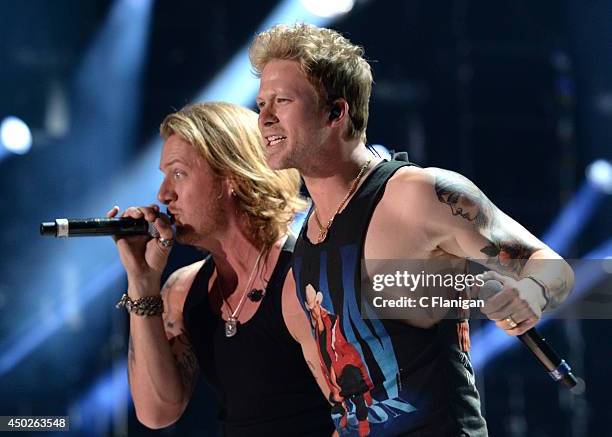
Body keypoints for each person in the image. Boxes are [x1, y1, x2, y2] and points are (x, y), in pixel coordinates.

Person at [249, 24, 574, 436]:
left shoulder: (416, 195)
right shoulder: (310, 238)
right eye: (261, 103)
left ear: (336, 112)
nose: (264, 118)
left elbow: (552, 267)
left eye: (282, 100)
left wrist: (531, 292)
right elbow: (346, 406)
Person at [109, 102, 335, 436]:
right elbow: (157, 412)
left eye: (178, 174)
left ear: (231, 177)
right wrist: (142, 281)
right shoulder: (182, 289)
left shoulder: (303, 279)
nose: (163, 194)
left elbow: (360, 414)